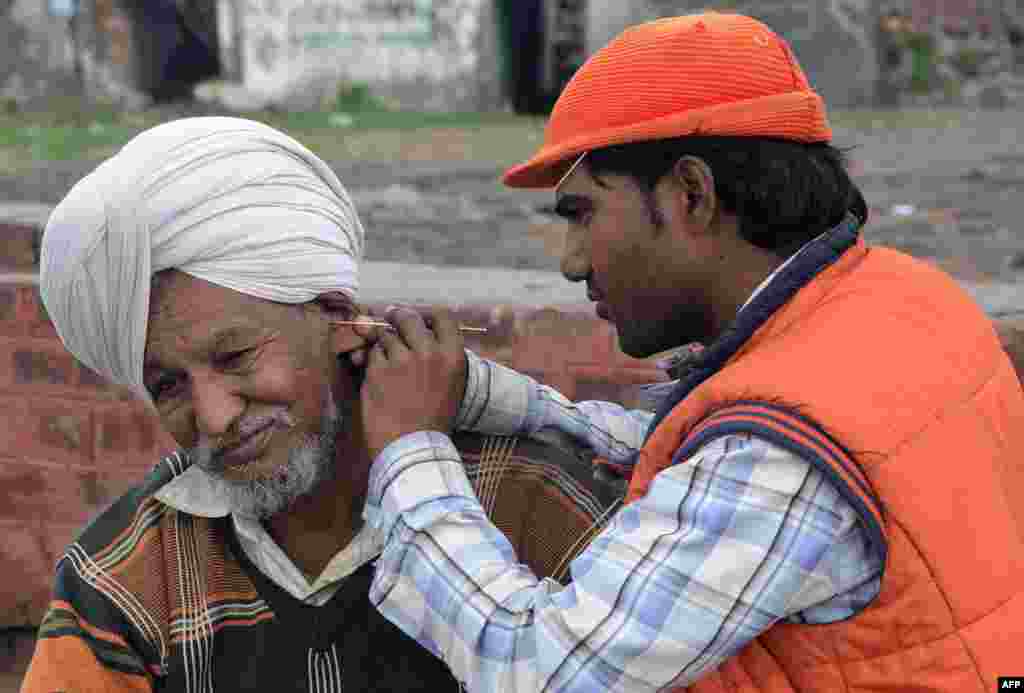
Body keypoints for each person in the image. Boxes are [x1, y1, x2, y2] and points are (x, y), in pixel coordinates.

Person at [350, 12, 1024, 692]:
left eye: (583, 215)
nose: (572, 262)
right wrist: (477, 393)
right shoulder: (899, 296)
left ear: (692, 195)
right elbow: (683, 451)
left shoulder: (779, 457)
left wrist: (410, 449)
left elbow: (540, 668)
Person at [20, 117, 621, 692]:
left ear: (337, 318)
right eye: (168, 387)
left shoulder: (534, 501)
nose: (215, 418)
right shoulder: (126, 573)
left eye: (236, 358)